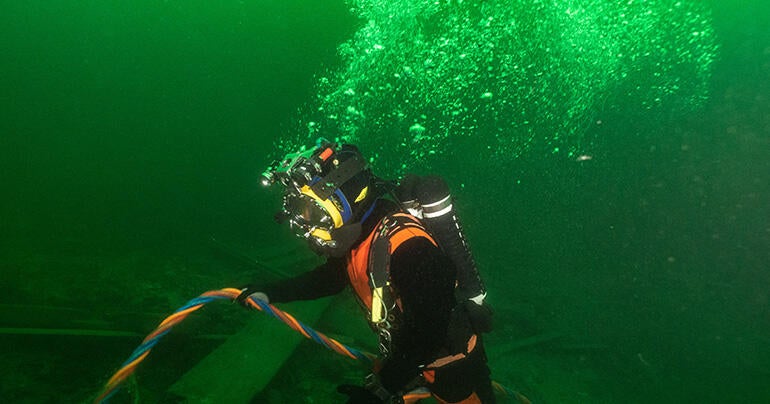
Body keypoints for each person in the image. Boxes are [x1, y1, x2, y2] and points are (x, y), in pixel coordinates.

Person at [237, 139, 495, 403]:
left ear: (344, 201)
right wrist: (270, 293)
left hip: (452, 368)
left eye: (311, 212)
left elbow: (429, 331)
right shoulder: (361, 234)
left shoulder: (409, 246)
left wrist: (384, 388)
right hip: (408, 358)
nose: (303, 226)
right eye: (296, 209)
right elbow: (332, 279)